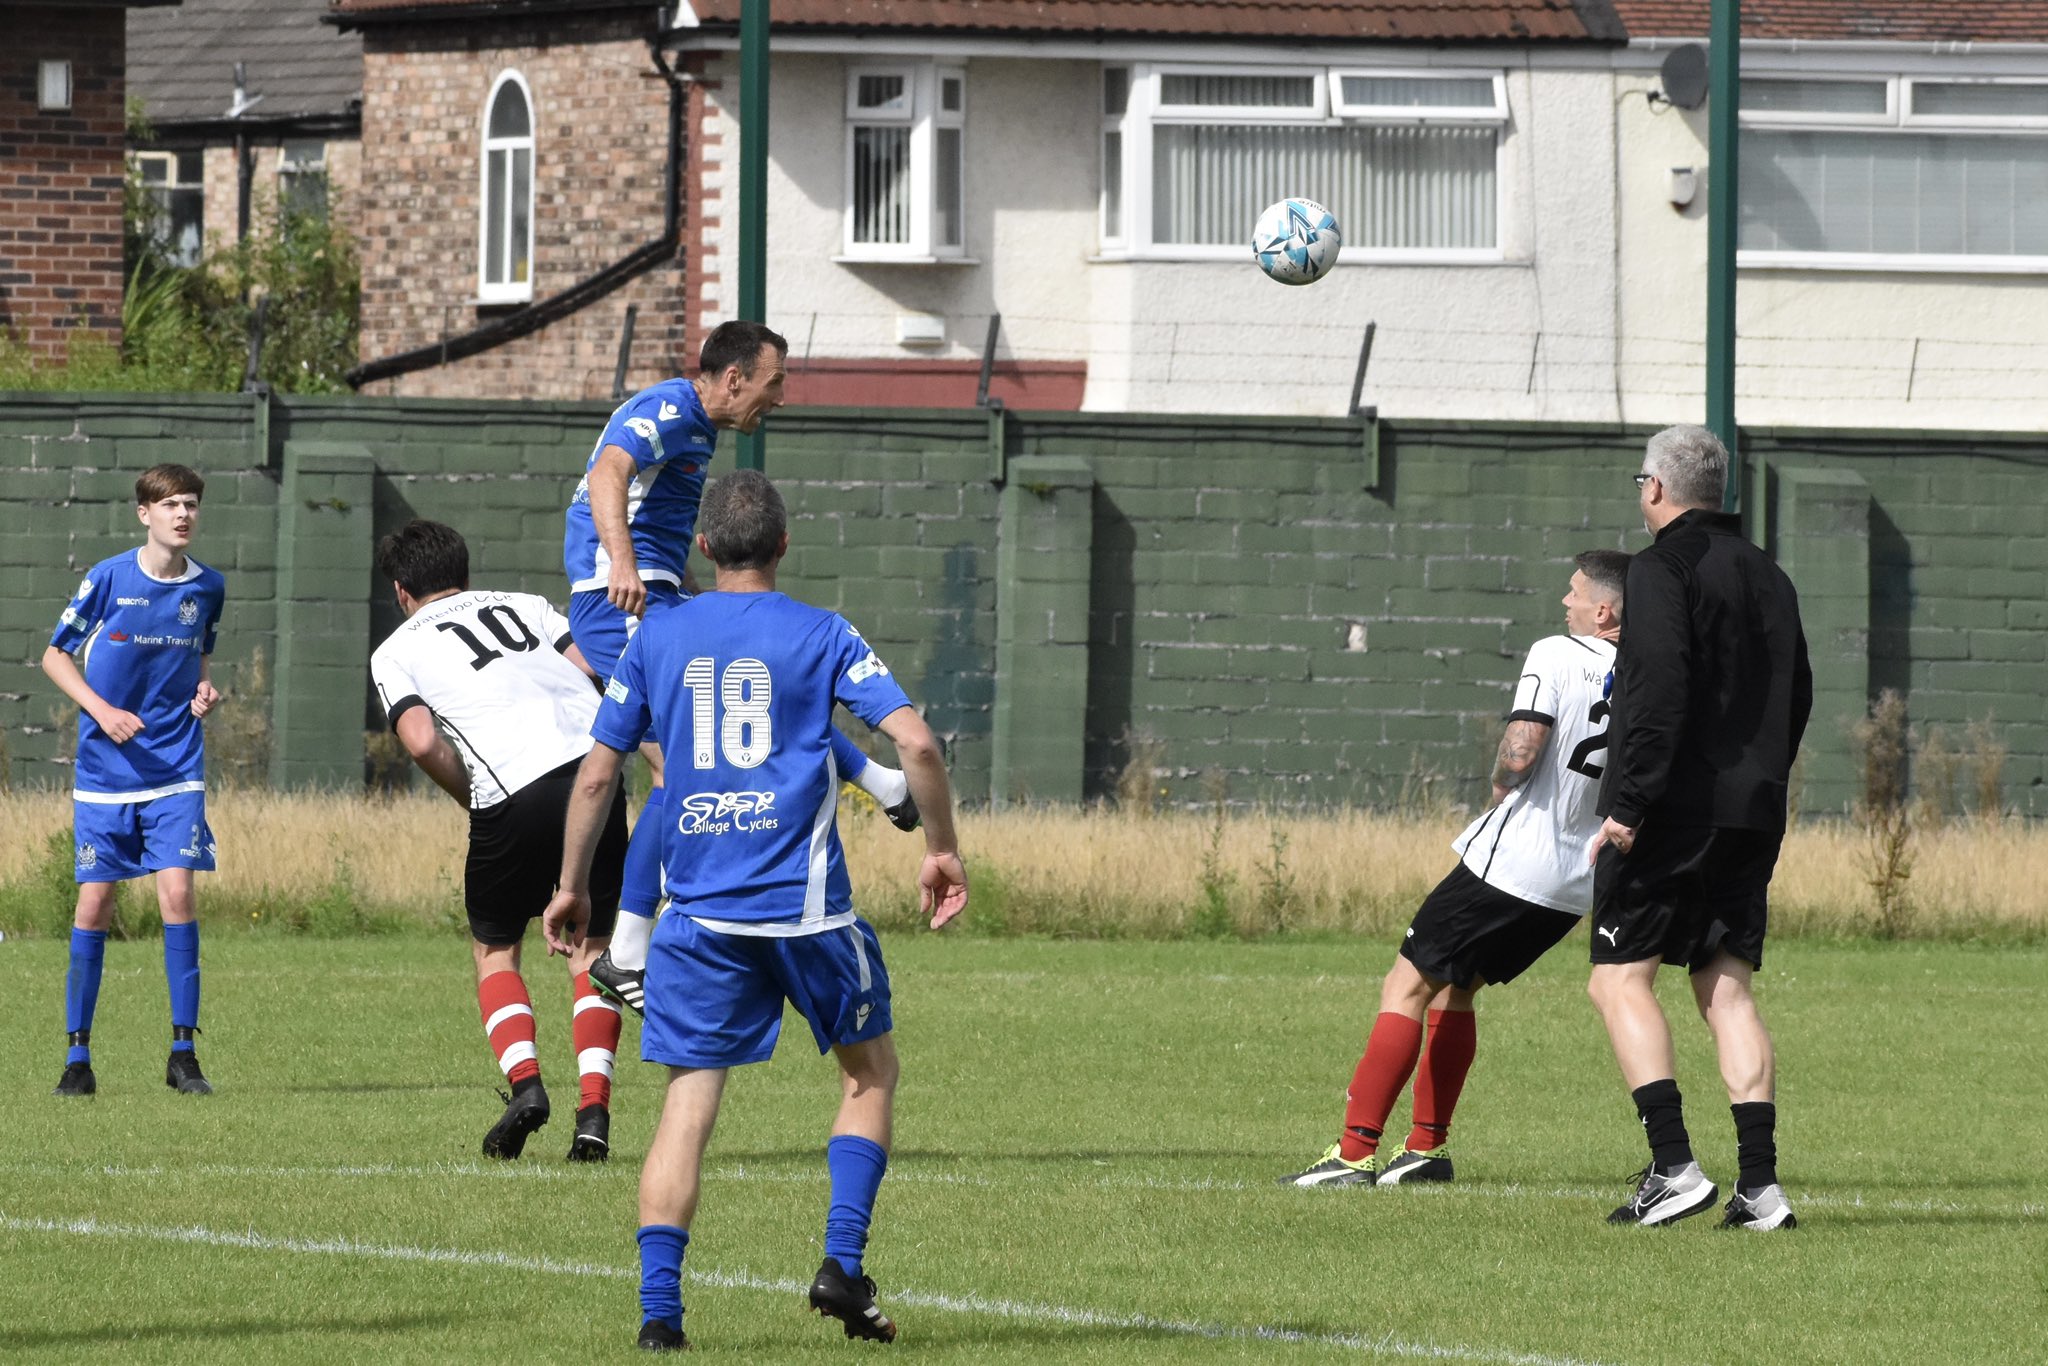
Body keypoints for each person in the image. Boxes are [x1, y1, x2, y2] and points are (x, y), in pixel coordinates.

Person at [542, 470, 968, 1352]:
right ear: (782, 546)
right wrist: (939, 846)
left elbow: (596, 773)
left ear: (701, 550)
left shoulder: (657, 635)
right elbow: (917, 740)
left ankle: (661, 1317)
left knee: (688, 1104)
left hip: (697, 917)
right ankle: (841, 1266)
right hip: (806, 913)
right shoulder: (822, 631)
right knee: (869, 1075)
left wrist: (573, 885)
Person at [564, 320, 918, 1015]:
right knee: (676, 767)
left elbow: (655, 515)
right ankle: (630, 948)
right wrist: (626, 564)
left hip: (656, 592)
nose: (780, 397)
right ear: (734, 379)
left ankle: (883, 781)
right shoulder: (668, 409)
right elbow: (609, 473)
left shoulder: (697, 427)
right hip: (618, 602)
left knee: (754, 695)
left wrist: (689, 590)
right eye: (775, 381)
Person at [1279, 553, 1628, 1187]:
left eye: (1574, 594)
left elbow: (1525, 740)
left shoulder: (1557, 651)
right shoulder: (1649, 673)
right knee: (1456, 988)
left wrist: (1501, 785)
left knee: (1405, 984)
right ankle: (1424, 1150)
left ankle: (1353, 1154)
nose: (1564, 603)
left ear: (1603, 610)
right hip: (1576, 880)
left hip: (1513, 860)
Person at [1587, 424, 1811, 1231]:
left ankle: (1674, 1165)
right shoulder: (1771, 576)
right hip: (1753, 812)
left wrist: (1628, 808)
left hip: (1672, 813)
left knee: (1617, 978)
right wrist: (1763, 780)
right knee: (1726, 988)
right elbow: (1799, 695)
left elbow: (1657, 695)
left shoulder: (1661, 569)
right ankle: (1761, 1187)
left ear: (1655, 488)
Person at [369, 520, 632, 1162]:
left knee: (495, 949)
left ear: (402, 591)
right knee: (591, 950)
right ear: (465, 570)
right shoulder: (530, 607)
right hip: (595, 773)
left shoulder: (395, 649)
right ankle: (593, 1111)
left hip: (512, 791)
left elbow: (422, 741)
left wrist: (477, 798)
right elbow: (597, 676)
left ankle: (526, 1086)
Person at [44, 463, 226, 1098]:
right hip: (105, 773)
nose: (183, 514)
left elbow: (198, 657)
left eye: (192, 504)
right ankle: (78, 1059)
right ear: (144, 513)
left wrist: (203, 691)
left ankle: (183, 1055)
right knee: (95, 903)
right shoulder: (107, 579)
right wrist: (102, 711)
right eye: (171, 504)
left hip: (177, 766)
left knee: (178, 896)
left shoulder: (209, 587)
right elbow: (53, 656)